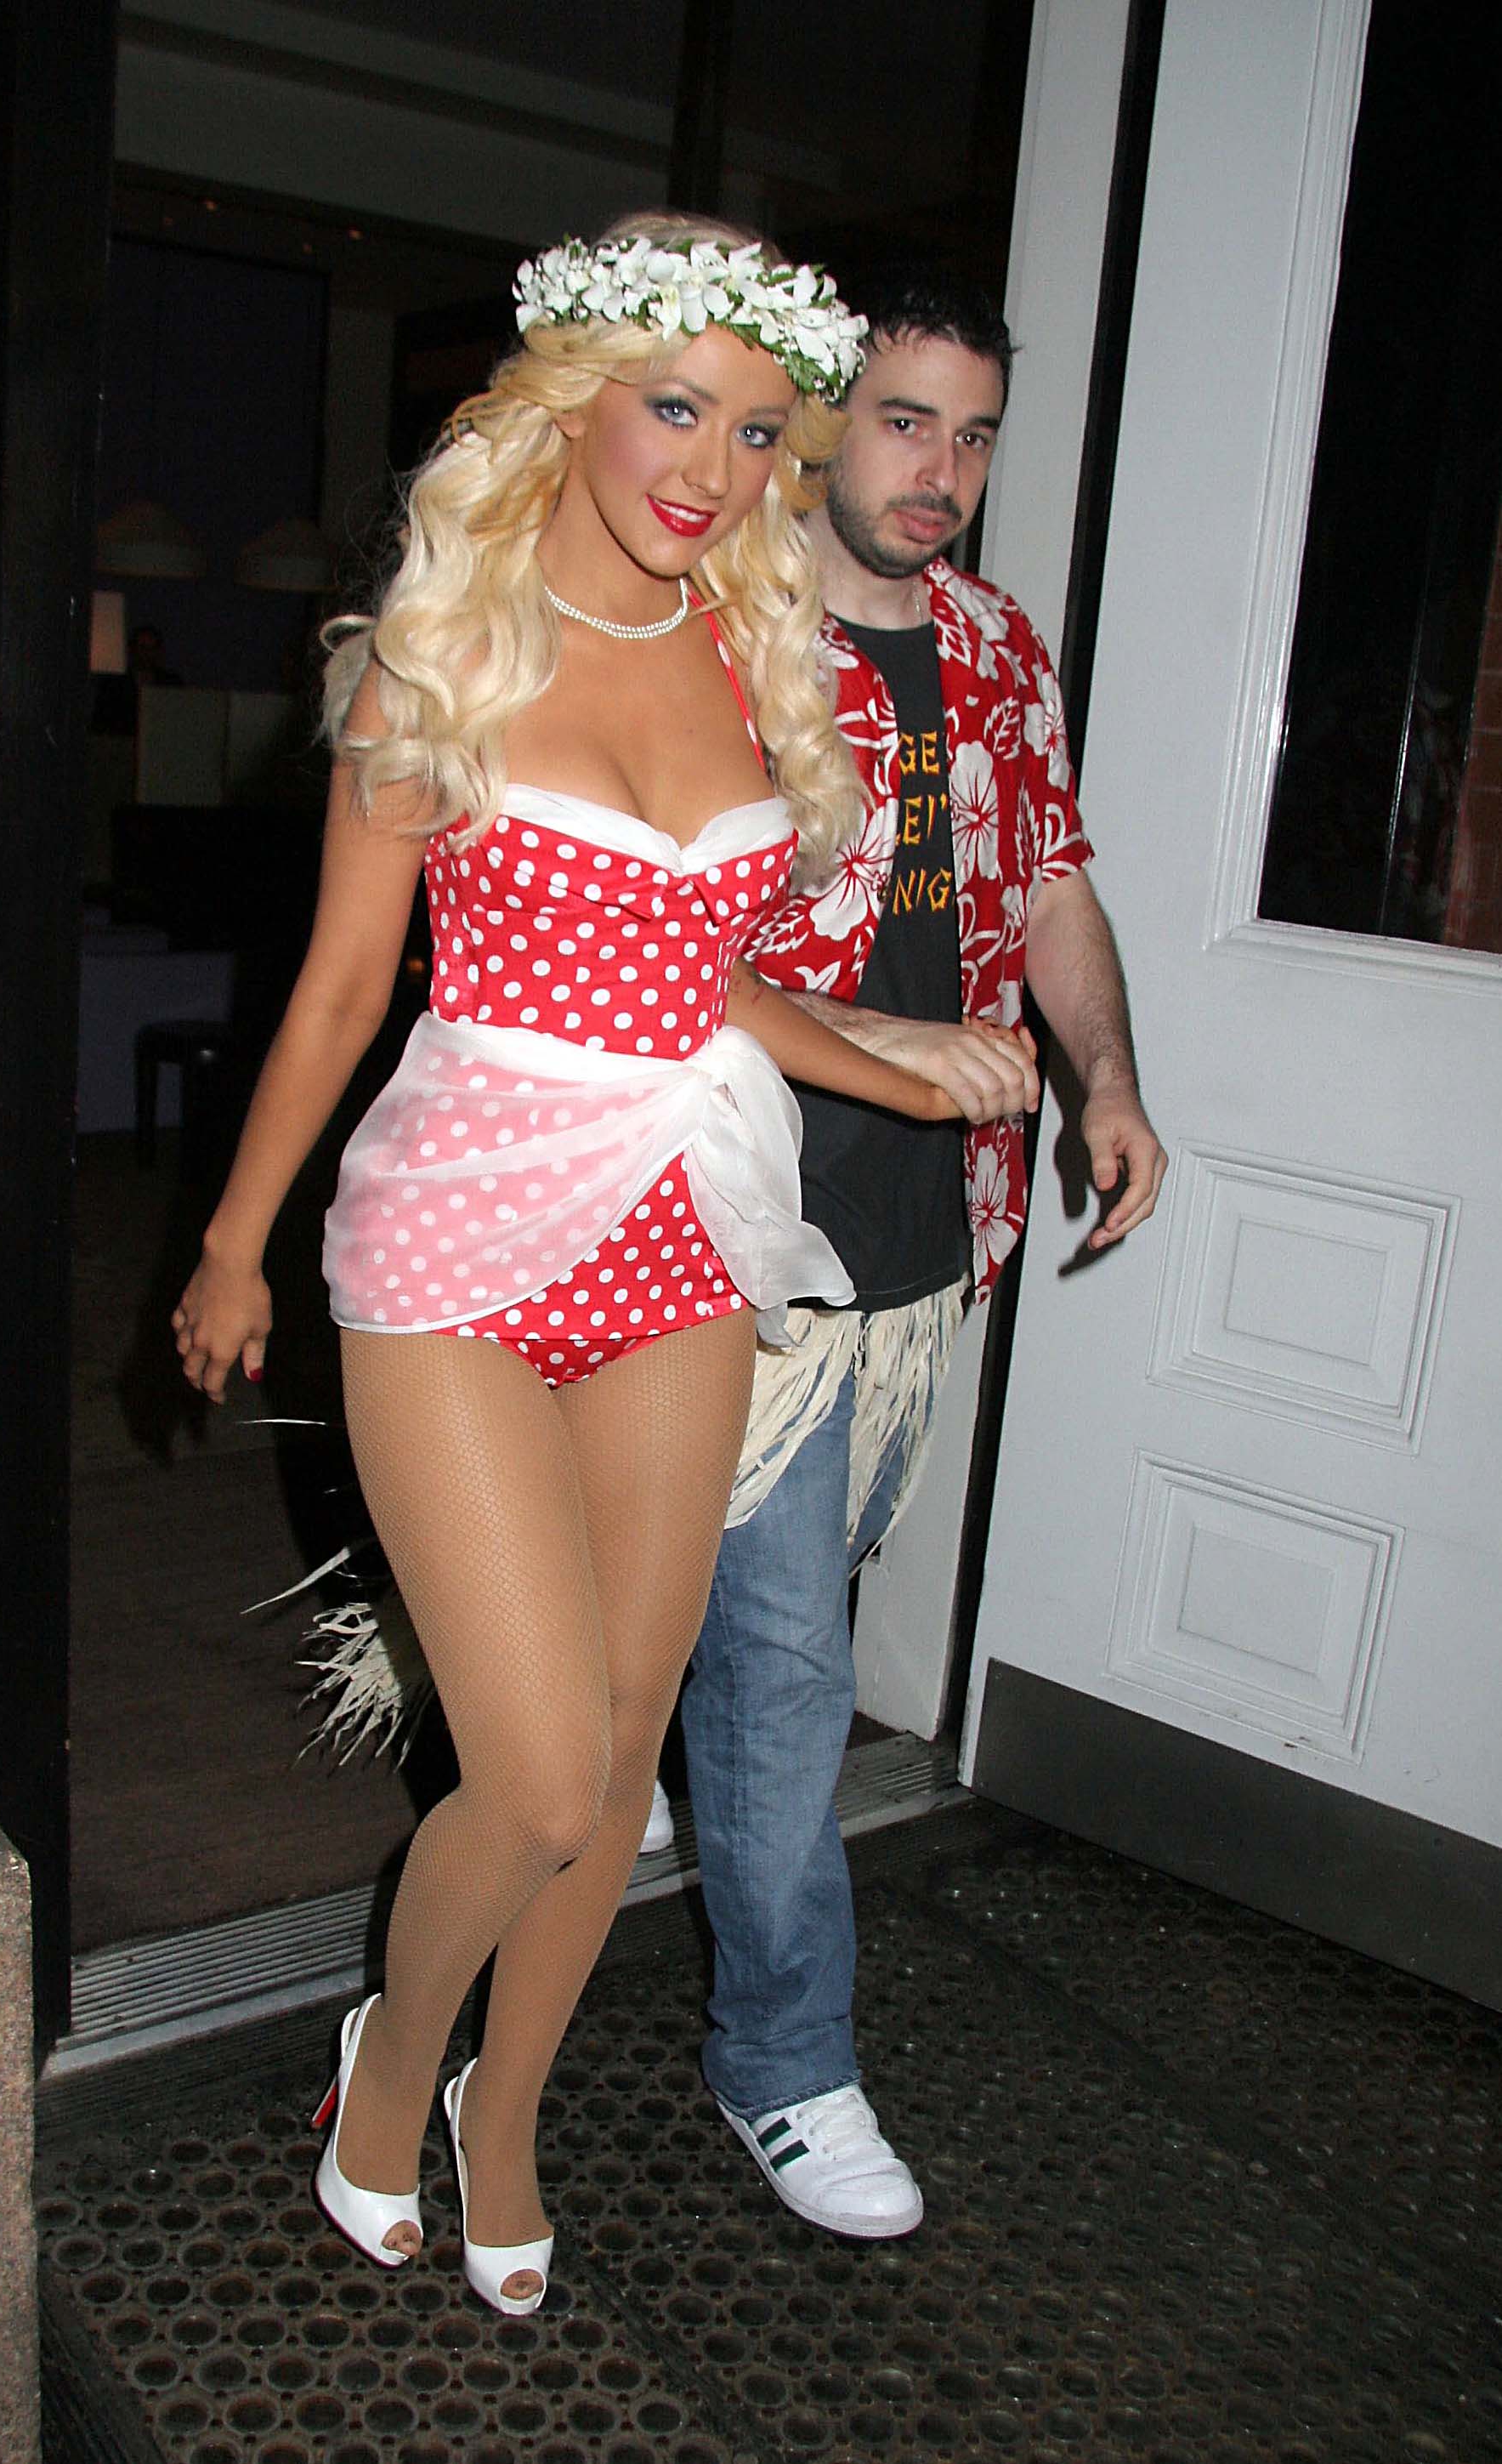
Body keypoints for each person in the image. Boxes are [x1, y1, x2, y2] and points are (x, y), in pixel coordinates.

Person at [170, 216, 993, 2314]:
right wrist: (234, 1238)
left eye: (758, 429)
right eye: (675, 409)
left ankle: (506, 2108)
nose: (714, 467)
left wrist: (904, 1067)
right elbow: (339, 987)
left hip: (679, 1232)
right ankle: (389, 2067)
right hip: (459, 1239)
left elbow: (714, 989)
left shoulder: (751, 655)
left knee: (621, 1771)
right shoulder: (439, 653)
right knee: (533, 1776)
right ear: (571, 402)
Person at [680, 260, 1168, 2239]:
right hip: (735, 1229)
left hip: (927, 1238)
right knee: (791, 1668)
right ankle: (784, 2063)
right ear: (823, 421)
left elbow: (1051, 884)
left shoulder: (995, 641)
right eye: (905, 421)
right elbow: (634, 948)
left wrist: (1105, 1080)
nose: (941, 470)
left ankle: (614, 1765)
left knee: (779, 1621)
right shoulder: (711, 624)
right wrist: (880, 1047)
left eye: (973, 434)